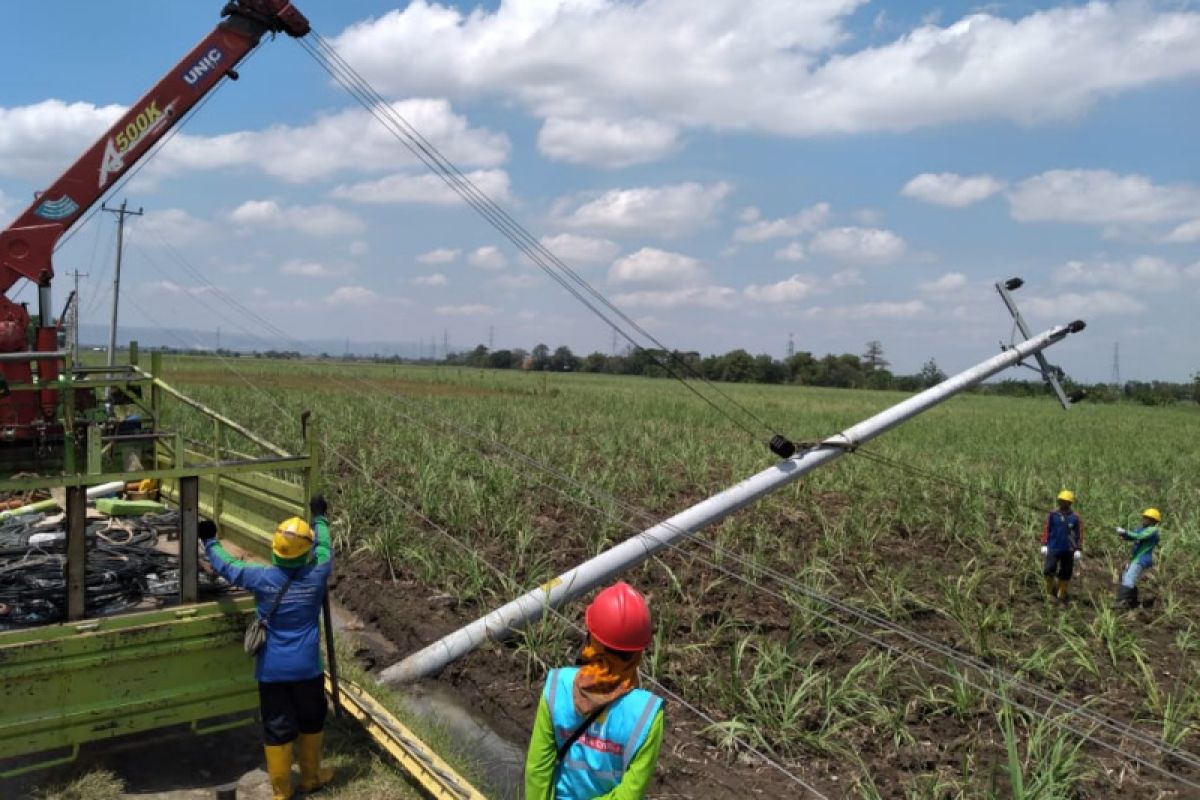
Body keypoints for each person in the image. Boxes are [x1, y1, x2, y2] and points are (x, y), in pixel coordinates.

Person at [199, 495, 334, 800]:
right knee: (312, 718)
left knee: (277, 726)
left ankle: (281, 792)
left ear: (275, 551)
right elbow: (325, 545)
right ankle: (311, 778)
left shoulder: (260, 578)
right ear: (306, 552)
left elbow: (227, 566)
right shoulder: (318, 574)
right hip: (308, 669)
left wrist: (209, 540)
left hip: (272, 671)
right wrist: (319, 517)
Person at [525, 581, 665, 800]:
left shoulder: (557, 687)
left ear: (592, 639)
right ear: (638, 652)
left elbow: (537, 771)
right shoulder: (647, 714)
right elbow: (630, 794)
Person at [1040, 489, 1083, 603]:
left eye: (1065, 501)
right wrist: (1044, 544)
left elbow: (1079, 534)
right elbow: (1046, 529)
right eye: (1061, 501)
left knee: (1066, 572)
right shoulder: (1053, 514)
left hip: (1069, 549)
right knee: (1049, 569)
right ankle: (1049, 592)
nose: (1063, 503)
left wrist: (1078, 549)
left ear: (1070, 503)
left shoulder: (1075, 517)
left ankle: (1061, 593)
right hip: (1053, 547)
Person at [1114, 508, 1162, 610]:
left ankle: (1122, 602)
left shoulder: (1152, 530)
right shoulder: (1142, 528)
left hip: (1142, 558)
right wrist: (1124, 535)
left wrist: (1125, 532)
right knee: (1126, 577)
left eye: (1148, 518)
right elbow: (1133, 535)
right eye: (1144, 517)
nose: (1144, 520)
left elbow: (1139, 536)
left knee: (1129, 578)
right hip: (1136, 558)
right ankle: (1132, 602)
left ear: (1154, 521)